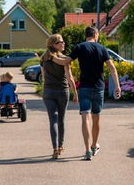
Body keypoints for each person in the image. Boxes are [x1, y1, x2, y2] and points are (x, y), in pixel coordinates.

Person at [51, 26, 121, 161]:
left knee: (85, 117)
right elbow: (112, 68)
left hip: (84, 88)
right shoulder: (102, 48)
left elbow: (65, 61)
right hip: (99, 88)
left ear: (86, 35)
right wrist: (117, 86)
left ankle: (88, 150)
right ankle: (94, 145)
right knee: (96, 117)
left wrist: (51, 57)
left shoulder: (80, 47)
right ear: (96, 34)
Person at [41, 34, 78, 159]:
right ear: (53, 45)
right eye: (60, 42)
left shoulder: (43, 58)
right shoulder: (64, 59)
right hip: (62, 91)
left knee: (53, 121)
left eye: (63, 42)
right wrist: (75, 93)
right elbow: (69, 77)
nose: (63, 44)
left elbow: (44, 76)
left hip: (48, 91)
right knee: (61, 120)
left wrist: (44, 89)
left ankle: (55, 148)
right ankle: (60, 146)